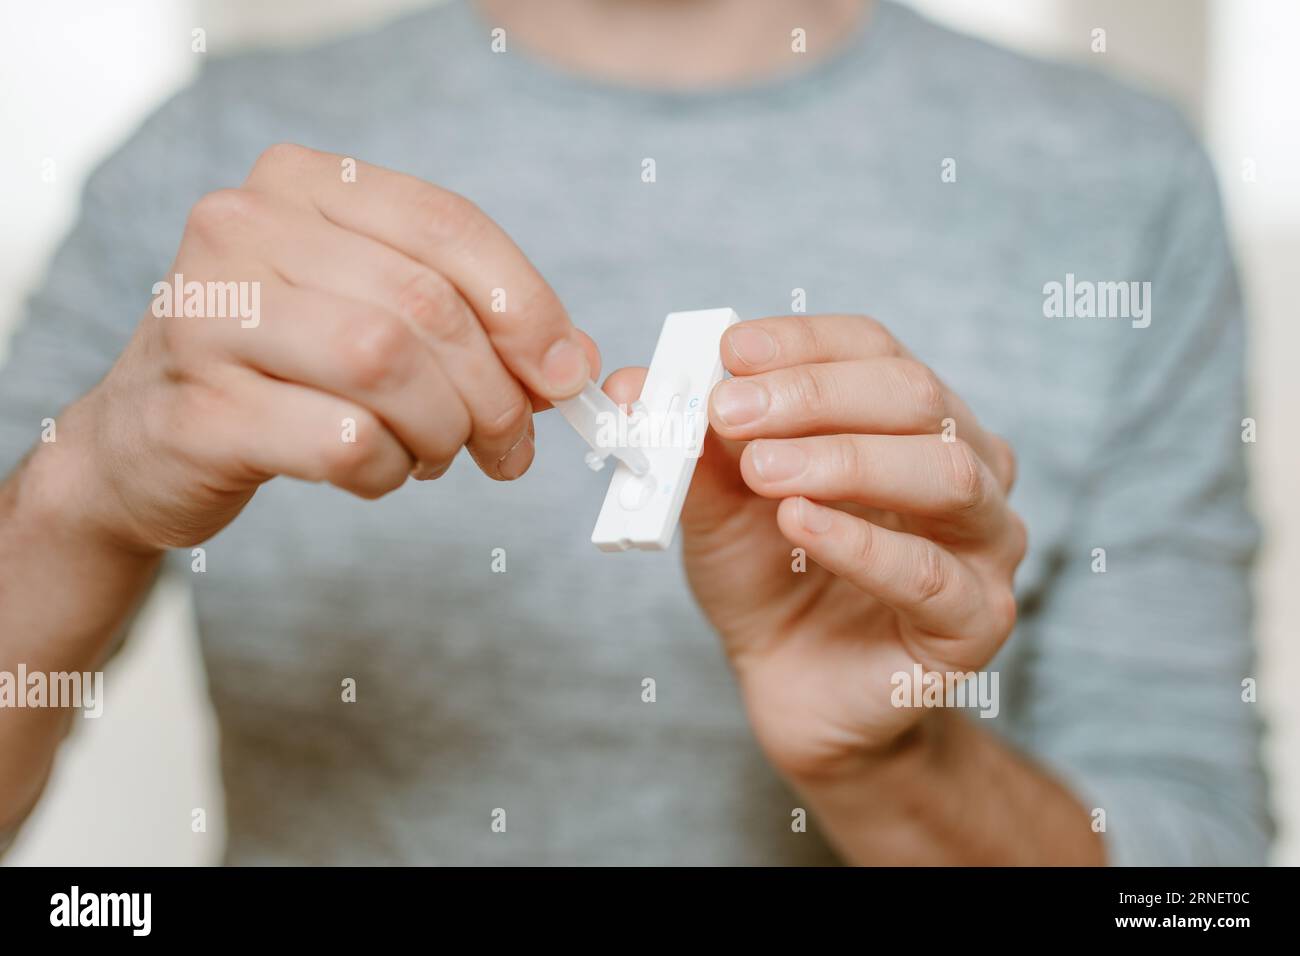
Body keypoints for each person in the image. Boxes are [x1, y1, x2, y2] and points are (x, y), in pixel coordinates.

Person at [0, 0, 1269, 865]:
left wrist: (896, 768)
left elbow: (1199, 882)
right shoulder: (215, 166)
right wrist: (77, 500)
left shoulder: (1118, 177)